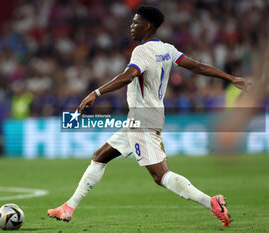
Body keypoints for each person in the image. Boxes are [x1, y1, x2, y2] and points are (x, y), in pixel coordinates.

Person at [47, 5, 250, 227]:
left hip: (143, 120)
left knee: (161, 176)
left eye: (135, 22)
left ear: (148, 26)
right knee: (100, 156)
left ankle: (211, 202)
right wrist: (231, 78)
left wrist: (96, 92)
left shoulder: (141, 51)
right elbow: (198, 66)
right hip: (142, 118)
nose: (131, 27)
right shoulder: (168, 49)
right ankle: (68, 207)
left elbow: (129, 75)